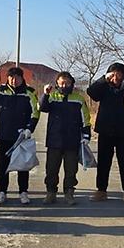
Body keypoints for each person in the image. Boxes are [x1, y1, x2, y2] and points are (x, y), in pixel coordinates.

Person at [0, 66, 40, 205]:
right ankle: (2, 192)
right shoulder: (1, 92)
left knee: (23, 165)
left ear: (22, 78)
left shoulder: (29, 93)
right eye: (11, 77)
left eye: (17, 77)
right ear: (8, 78)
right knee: (3, 166)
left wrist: (29, 128)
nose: (14, 80)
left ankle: (23, 192)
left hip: (22, 136)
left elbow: (35, 112)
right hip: (4, 135)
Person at [86, 63, 124, 204]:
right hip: (105, 130)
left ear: (123, 75)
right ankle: (101, 191)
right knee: (103, 163)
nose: (115, 77)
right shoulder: (104, 88)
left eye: (118, 73)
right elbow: (91, 92)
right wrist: (104, 79)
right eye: (112, 74)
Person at [39, 71, 91, 205]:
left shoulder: (78, 99)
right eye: (62, 82)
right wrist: (45, 94)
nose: (64, 85)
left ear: (72, 83)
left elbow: (85, 118)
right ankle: (51, 192)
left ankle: (69, 192)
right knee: (51, 169)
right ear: (57, 83)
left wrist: (86, 135)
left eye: (67, 83)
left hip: (72, 141)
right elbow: (42, 108)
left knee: (71, 170)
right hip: (54, 140)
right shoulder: (52, 96)